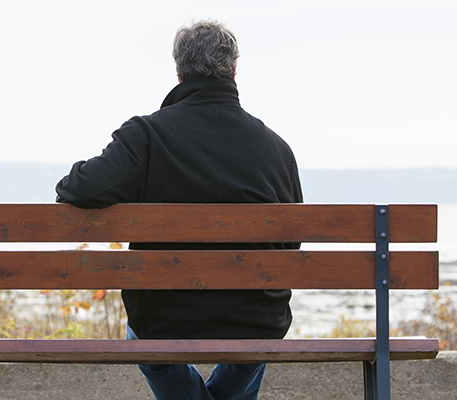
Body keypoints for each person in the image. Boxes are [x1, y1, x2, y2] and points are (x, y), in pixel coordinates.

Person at [54, 20, 303, 400]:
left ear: (179, 71)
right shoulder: (276, 149)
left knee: (146, 342)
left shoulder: (146, 137)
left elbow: (80, 189)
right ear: (234, 70)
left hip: (163, 320)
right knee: (255, 344)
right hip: (256, 322)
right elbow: (292, 243)